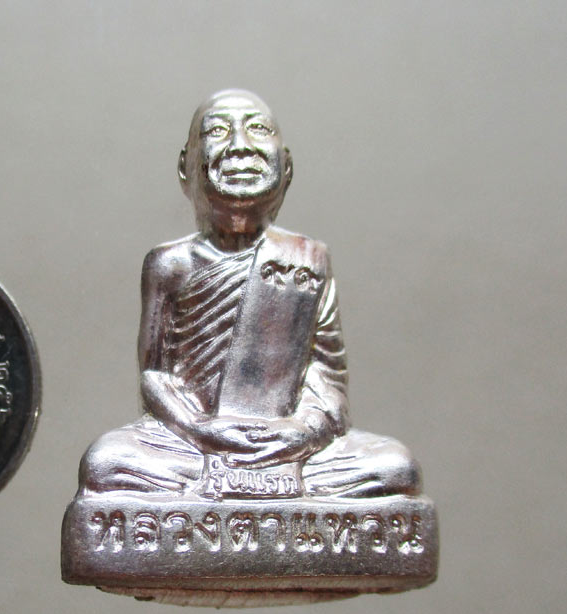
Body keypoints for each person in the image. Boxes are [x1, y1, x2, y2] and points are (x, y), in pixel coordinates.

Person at [79, 90, 421, 498]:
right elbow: (156, 376)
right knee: (105, 463)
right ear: (185, 166)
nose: (240, 146)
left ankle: (250, 487)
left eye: (258, 129)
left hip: (290, 445)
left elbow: (327, 375)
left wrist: (303, 431)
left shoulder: (308, 260)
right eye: (218, 132)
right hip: (193, 444)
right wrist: (200, 429)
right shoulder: (170, 264)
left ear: (287, 166)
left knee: (396, 468)